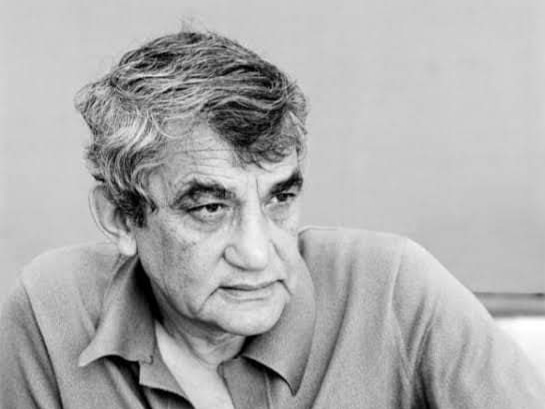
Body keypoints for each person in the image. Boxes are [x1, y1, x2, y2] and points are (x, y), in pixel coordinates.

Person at [1, 29, 544, 409]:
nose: (259, 254)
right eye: (210, 208)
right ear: (121, 219)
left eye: (279, 199)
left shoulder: (394, 291)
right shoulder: (49, 313)